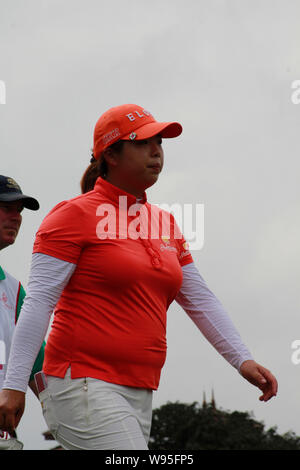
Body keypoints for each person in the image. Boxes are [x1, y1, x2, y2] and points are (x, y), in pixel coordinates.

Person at [0, 105, 277, 450]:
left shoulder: (166, 223)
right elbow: (40, 302)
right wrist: (12, 387)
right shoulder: (71, 216)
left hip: (139, 389)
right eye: (143, 142)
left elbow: (200, 299)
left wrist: (242, 359)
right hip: (81, 384)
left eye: (159, 141)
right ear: (111, 154)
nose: (156, 151)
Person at [0, 175, 45, 450]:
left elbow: (39, 367)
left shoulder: (15, 290)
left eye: (19, 210)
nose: (16, 217)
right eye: (6, 208)